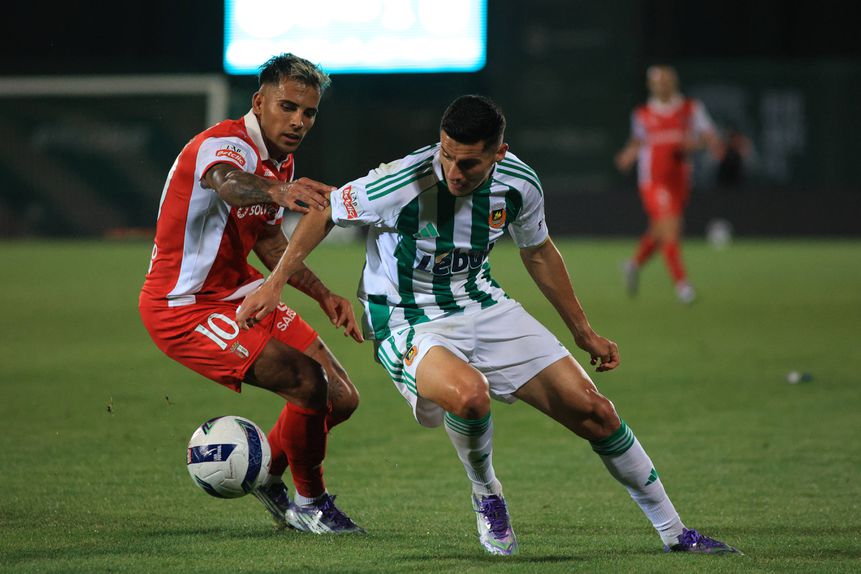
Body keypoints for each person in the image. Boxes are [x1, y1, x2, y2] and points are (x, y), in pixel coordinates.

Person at [237, 95, 741, 556]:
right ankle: (487, 494)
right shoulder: (404, 179)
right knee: (470, 395)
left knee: (596, 412)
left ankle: (676, 533)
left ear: (498, 154)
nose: (454, 170)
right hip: (408, 320)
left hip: (482, 305)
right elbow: (325, 210)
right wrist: (276, 282)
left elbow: (539, 251)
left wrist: (582, 330)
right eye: (448, 154)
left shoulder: (519, 183)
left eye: (469, 161)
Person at [139, 53, 364, 534]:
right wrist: (279, 193)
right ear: (259, 102)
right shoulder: (226, 146)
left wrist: (323, 294)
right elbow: (231, 184)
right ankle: (311, 505)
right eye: (288, 107)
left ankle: (266, 474)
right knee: (307, 382)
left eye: (309, 112)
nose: (299, 121)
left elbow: (267, 240)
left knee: (341, 398)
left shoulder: (280, 161)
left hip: (236, 289)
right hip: (181, 305)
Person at [615, 65, 723, 304]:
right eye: (657, 82)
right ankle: (683, 286)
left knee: (661, 231)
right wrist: (627, 156)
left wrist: (699, 145)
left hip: (679, 180)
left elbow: (708, 136)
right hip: (653, 181)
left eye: (665, 81)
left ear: (673, 83)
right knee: (671, 230)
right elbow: (637, 142)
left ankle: (633, 265)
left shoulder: (690, 109)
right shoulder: (643, 113)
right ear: (651, 86)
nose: (661, 86)